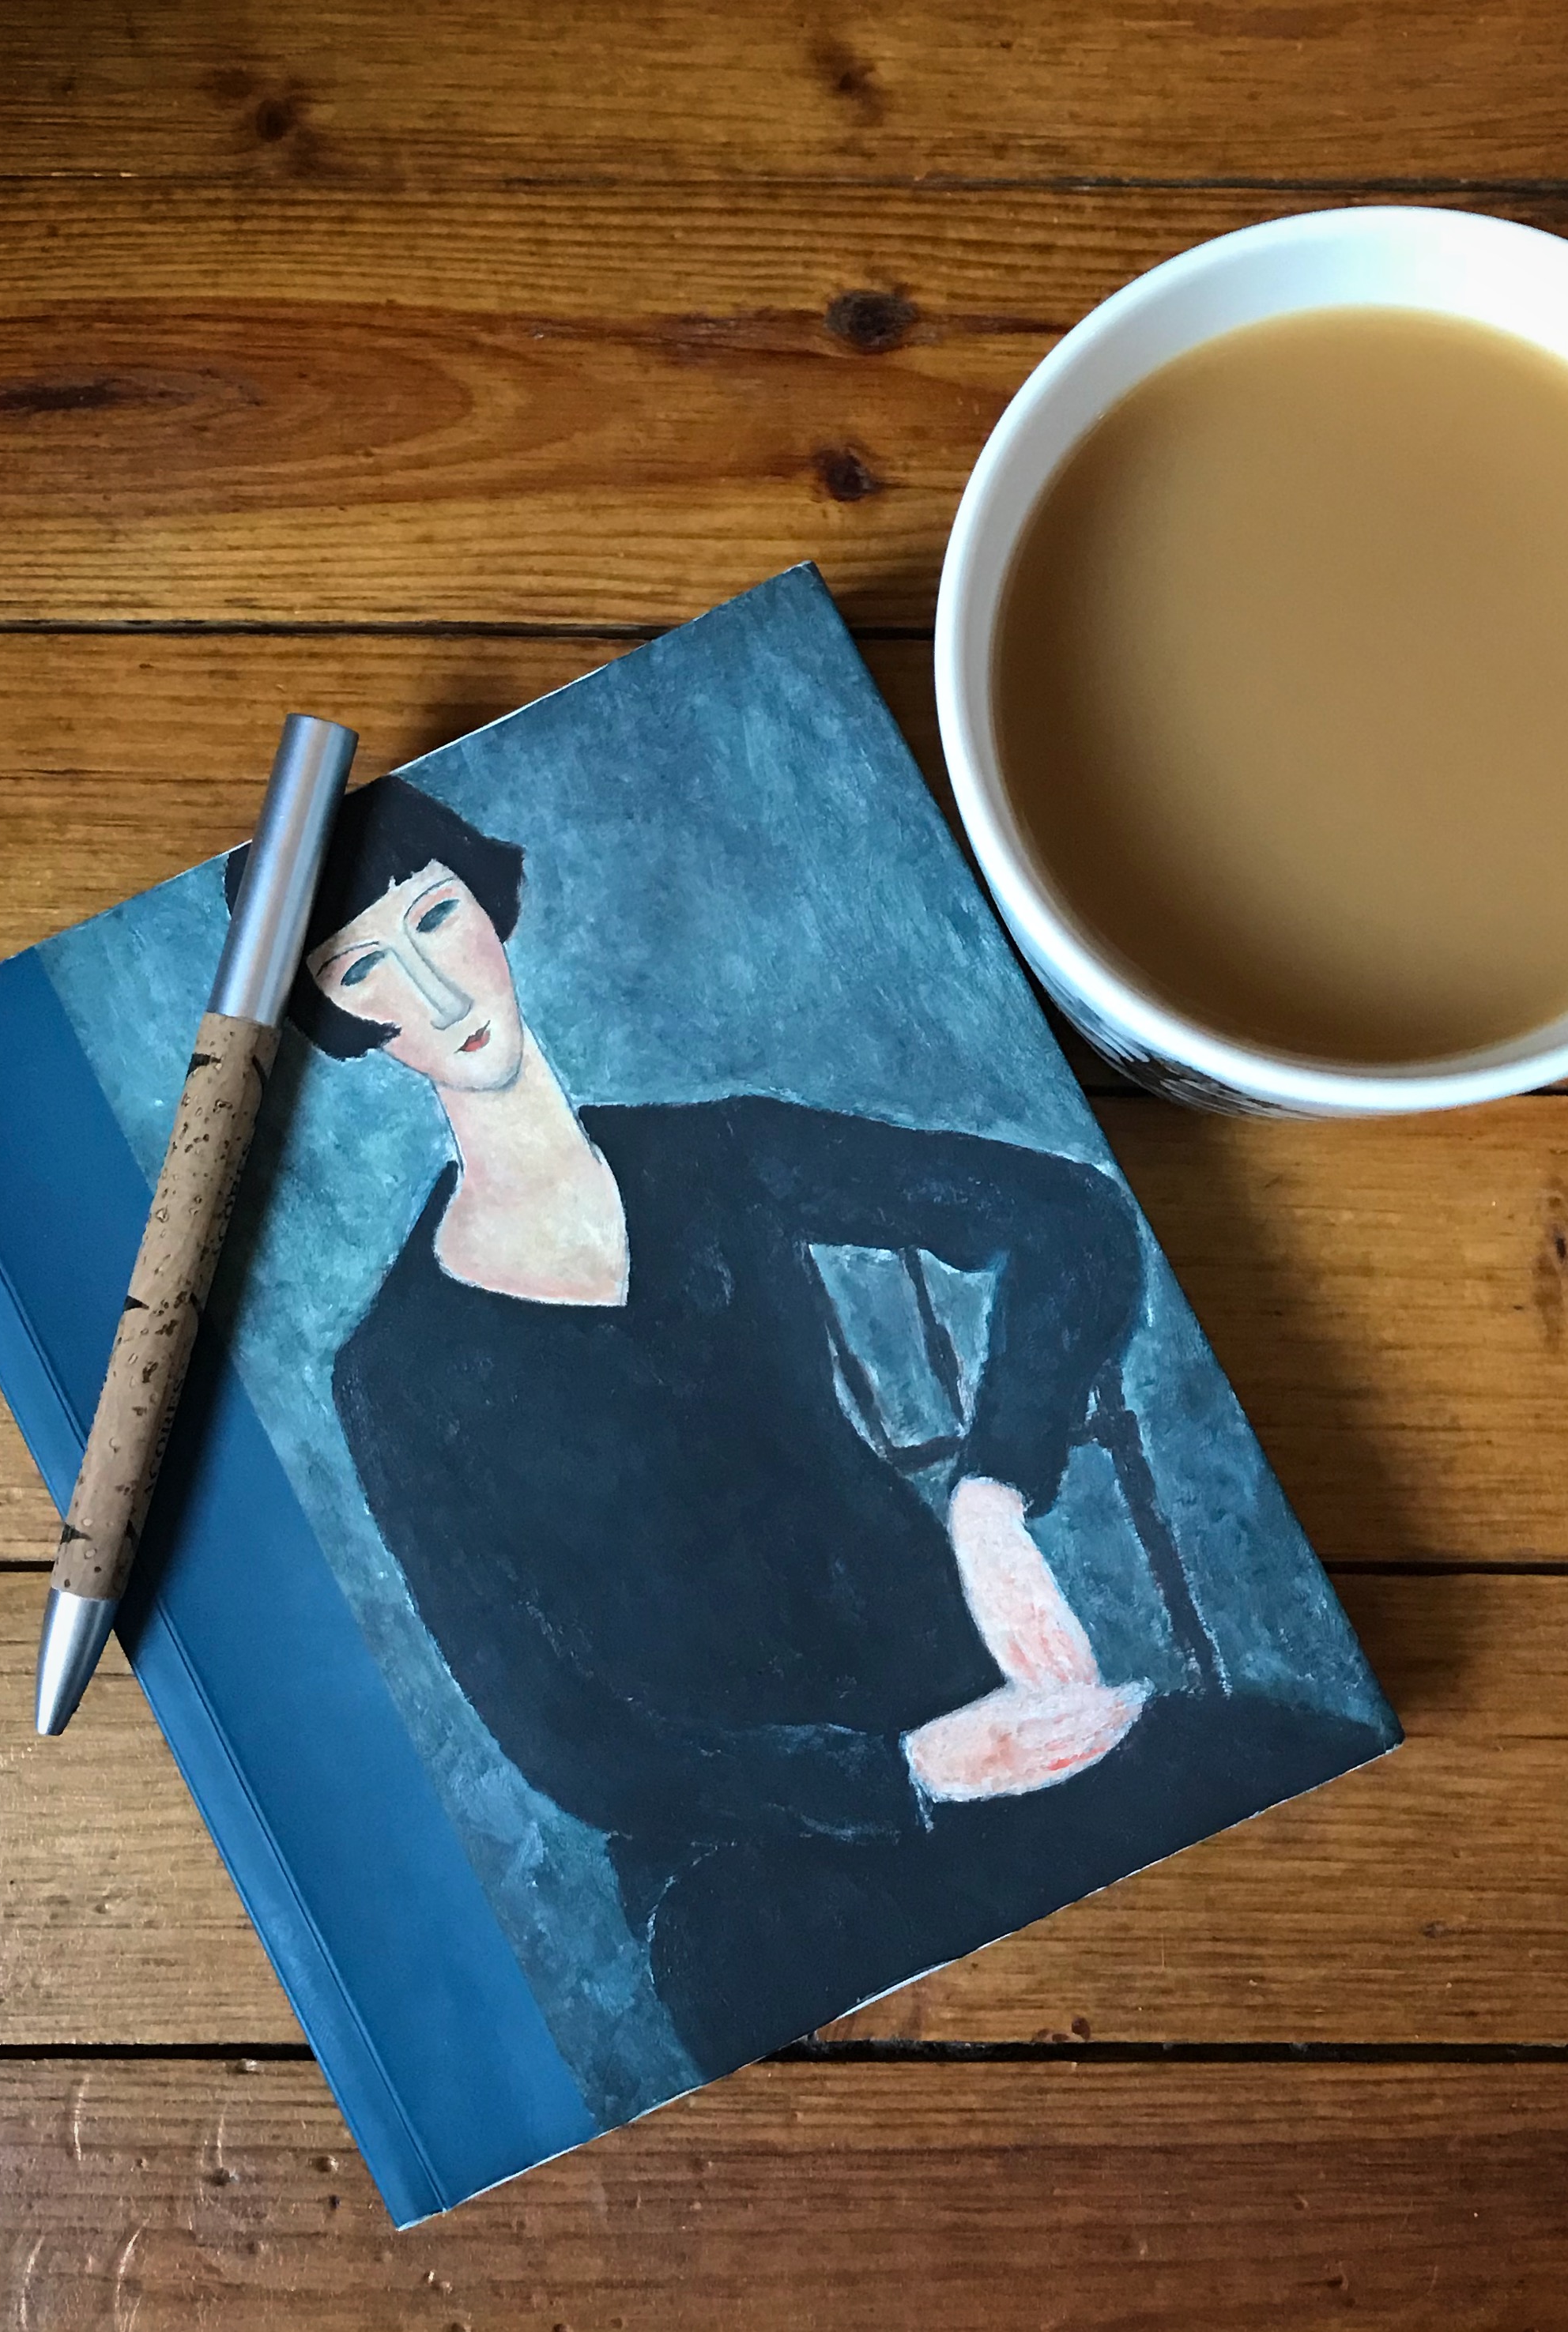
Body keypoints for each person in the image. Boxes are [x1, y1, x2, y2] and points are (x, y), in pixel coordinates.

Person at [229, 775, 1381, 2074]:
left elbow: (1068, 1217)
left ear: (490, 908)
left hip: (991, 1701)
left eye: (436, 919)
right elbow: (566, 1742)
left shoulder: (719, 1157)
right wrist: (902, 1776)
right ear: (348, 1019)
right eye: (367, 968)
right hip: (747, 1860)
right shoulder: (395, 1374)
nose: (436, 994)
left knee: (1318, 1792)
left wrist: (992, 1500)